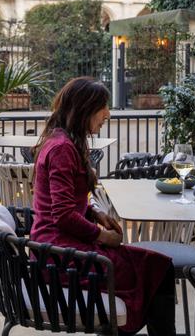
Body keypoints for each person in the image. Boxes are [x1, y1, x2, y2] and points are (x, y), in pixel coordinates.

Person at [30, 77, 174, 336]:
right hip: (58, 255)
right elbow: (62, 215)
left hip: (53, 247)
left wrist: (95, 213)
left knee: (152, 267)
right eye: (103, 106)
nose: (108, 113)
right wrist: (101, 235)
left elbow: (65, 203)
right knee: (156, 269)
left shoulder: (63, 141)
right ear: (84, 108)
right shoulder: (62, 148)